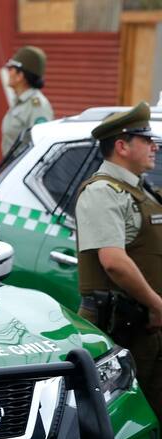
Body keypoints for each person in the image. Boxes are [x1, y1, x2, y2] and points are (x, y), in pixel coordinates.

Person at [75, 102, 162, 419]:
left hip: (143, 328)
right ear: (122, 145)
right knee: (129, 420)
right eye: (145, 139)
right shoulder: (103, 192)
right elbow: (113, 260)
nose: (154, 146)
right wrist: (156, 304)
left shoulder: (140, 191)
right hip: (119, 328)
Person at [1, 46, 53, 156]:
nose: (8, 72)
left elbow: (40, 145)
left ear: (20, 76)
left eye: (11, 69)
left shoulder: (37, 106)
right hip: (12, 167)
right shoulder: (19, 102)